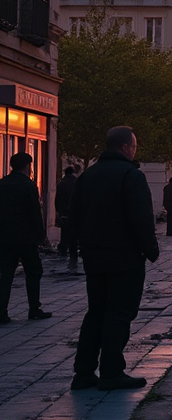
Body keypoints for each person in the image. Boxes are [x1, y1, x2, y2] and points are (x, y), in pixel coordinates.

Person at [66, 127, 159, 390]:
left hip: (93, 255)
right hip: (124, 256)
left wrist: (78, 245)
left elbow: (74, 215)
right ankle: (111, 371)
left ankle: (83, 372)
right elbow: (141, 217)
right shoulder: (131, 175)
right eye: (134, 146)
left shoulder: (88, 176)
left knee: (96, 311)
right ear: (126, 147)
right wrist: (150, 249)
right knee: (119, 312)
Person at [0, 153, 51, 324]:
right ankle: (34, 308)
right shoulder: (28, 185)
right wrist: (41, 235)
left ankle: (2, 311)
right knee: (33, 272)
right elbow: (35, 212)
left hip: (5, 237)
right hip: (26, 237)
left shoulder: (2, 184)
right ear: (27, 166)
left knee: (6, 274)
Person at [55, 166, 80, 270]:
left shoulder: (62, 183)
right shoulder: (76, 182)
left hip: (64, 212)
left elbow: (57, 199)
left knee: (64, 232)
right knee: (73, 233)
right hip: (74, 212)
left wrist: (58, 211)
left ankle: (64, 251)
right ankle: (73, 254)